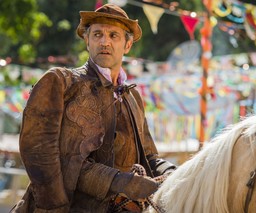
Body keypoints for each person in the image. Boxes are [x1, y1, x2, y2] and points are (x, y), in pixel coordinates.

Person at [11, 4, 176, 213]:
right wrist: (121, 182)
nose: (104, 41)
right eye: (97, 34)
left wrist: (176, 173)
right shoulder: (61, 82)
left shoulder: (132, 96)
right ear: (87, 41)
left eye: (113, 35)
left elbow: (149, 157)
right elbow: (40, 152)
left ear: (127, 45)